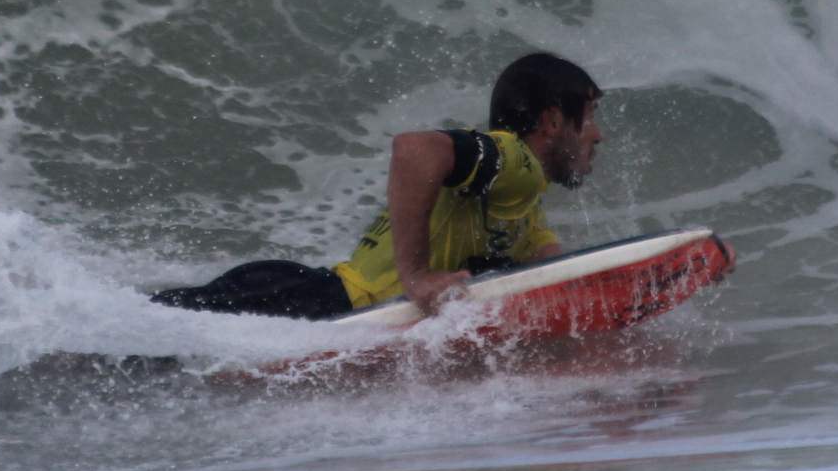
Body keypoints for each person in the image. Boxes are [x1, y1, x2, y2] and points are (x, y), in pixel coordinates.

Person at [151, 52, 603, 320]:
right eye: (590, 118)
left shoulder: (525, 198)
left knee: (148, 348)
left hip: (304, 296)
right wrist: (417, 276)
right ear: (551, 120)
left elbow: (550, 275)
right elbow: (414, 150)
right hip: (307, 303)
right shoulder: (516, 163)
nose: (598, 135)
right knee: (132, 351)